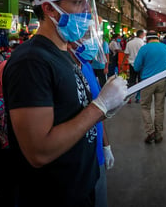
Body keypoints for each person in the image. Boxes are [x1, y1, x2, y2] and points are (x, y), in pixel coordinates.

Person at [2, 0, 127, 207]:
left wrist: (105, 109)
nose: (87, 12)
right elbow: (39, 152)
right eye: (77, 2)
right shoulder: (31, 62)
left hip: (81, 187)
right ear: (49, 8)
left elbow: (72, 113)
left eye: (85, 2)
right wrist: (99, 107)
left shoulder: (65, 54)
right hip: (53, 197)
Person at [68, 41, 115, 207]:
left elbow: (96, 109)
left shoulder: (85, 65)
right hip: (75, 164)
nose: (91, 41)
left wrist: (106, 145)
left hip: (96, 154)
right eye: (86, 33)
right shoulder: (56, 67)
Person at [134, 31, 166, 143]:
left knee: (145, 107)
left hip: (147, 82)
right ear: (158, 38)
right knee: (159, 108)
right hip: (162, 81)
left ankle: (150, 131)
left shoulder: (144, 49)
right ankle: (158, 134)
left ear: (147, 39)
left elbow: (136, 67)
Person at [122, 29, 146, 103]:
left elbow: (126, 54)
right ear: (141, 35)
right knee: (140, 81)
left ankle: (128, 97)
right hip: (141, 65)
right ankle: (138, 97)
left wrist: (122, 64)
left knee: (131, 81)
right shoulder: (143, 44)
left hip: (131, 65)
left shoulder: (129, 43)